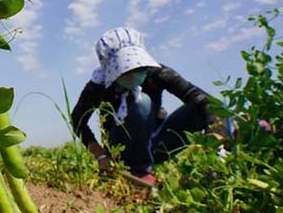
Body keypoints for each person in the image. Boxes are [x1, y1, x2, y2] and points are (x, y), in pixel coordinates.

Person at [70, 27, 212, 187]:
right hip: (122, 149)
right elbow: (77, 121)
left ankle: (220, 163)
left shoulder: (158, 73)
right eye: (127, 70)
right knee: (141, 102)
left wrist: (217, 132)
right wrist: (101, 156)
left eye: (139, 68)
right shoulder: (98, 86)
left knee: (207, 110)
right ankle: (138, 171)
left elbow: (201, 98)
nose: (135, 73)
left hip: (155, 144)